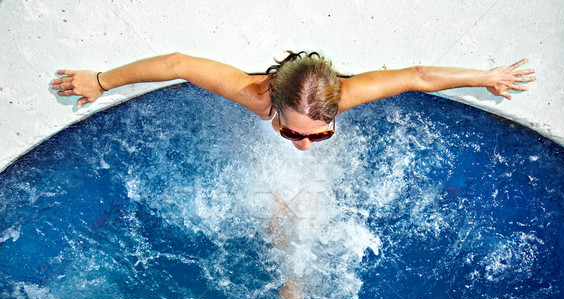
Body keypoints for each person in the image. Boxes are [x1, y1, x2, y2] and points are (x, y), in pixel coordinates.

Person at [50, 51, 535, 151]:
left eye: (320, 135)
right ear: (274, 109)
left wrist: (487, 75)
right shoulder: (250, 93)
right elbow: (177, 63)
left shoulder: (345, 96)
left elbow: (418, 76)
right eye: (290, 132)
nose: (303, 145)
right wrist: (100, 79)